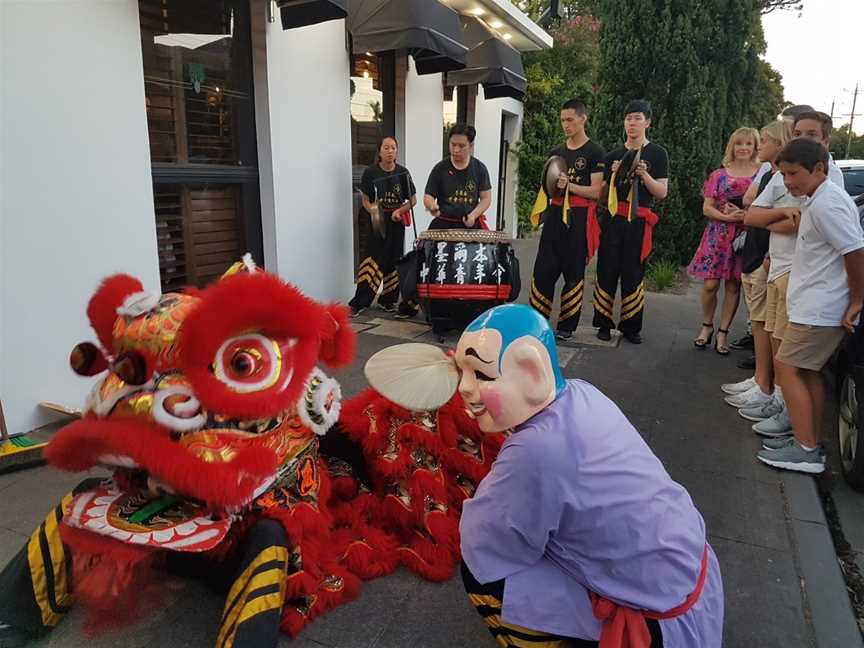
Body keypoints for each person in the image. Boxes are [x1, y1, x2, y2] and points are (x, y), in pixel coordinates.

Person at [454, 304, 724, 647]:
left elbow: (485, 542)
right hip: (690, 577)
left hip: (659, 618)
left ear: (532, 373)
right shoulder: (582, 392)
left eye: (481, 374)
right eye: (460, 370)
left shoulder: (536, 451)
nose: (464, 387)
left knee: (479, 571)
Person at [723, 111, 845, 431]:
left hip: (801, 273)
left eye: (812, 134)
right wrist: (783, 214)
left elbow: (805, 224)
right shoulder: (785, 172)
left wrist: (779, 218)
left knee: (794, 361)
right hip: (778, 265)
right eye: (798, 132)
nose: (803, 139)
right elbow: (753, 215)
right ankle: (773, 395)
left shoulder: (827, 179)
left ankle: (795, 425)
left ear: (825, 141)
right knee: (774, 337)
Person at [756, 138, 864, 474]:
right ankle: (808, 440)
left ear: (819, 169)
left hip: (819, 308)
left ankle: (806, 451)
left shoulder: (828, 203)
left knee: (787, 369)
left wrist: (857, 300)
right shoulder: (819, 199)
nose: (787, 182)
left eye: (793, 174)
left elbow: (855, 251)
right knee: (807, 373)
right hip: (813, 305)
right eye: (783, 174)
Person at [730, 120, 793, 423]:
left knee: (772, 329)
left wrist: (759, 214)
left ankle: (771, 390)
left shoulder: (782, 178)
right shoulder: (767, 173)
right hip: (759, 256)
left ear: (779, 144)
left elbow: (760, 214)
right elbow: (750, 205)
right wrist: (757, 213)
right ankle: (761, 382)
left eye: (764, 141)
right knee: (761, 323)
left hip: (771, 260)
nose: (758, 146)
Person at [592, 100, 669, 344]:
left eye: (637, 118)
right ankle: (603, 323)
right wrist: (613, 175)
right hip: (614, 218)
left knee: (633, 273)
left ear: (648, 122)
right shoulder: (613, 154)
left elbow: (662, 192)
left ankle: (631, 326)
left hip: (638, 220)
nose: (632, 123)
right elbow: (601, 195)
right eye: (628, 118)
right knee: (606, 270)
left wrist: (644, 174)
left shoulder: (657, 153)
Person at [529, 99, 606, 341]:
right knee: (543, 269)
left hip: (580, 217)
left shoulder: (595, 152)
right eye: (562, 120)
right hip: (554, 215)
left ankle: (566, 325)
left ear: (583, 119)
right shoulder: (556, 152)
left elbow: (597, 192)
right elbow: (548, 186)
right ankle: (536, 320)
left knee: (573, 271)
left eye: (570, 119)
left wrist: (569, 186)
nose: (565, 125)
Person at [688, 128, 760, 354]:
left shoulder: (761, 174)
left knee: (733, 285)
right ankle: (706, 326)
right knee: (710, 285)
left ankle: (723, 332)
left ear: (755, 147)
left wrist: (744, 215)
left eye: (749, 144)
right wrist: (727, 217)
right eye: (740, 143)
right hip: (717, 235)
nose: (744, 148)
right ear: (732, 146)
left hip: (744, 235)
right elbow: (706, 207)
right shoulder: (718, 174)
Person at [349, 136, 417, 317]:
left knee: (394, 259)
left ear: (397, 151)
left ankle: (388, 300)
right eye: (386, 148)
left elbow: (413, 200)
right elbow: (365, 199)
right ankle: (360, 302)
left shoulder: (403, 172)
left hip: (396, 221)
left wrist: (400, 211)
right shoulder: (371, 172)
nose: (390, 151)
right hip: (377, 221)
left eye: (393, 148)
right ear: (379, 151)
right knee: (372, 258)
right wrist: (371, 209)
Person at [424, 123, 492, 230]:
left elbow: (486, 198)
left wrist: (473, 215)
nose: (456, 150)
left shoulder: (479, 168)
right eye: (453, 144)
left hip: (470, 224)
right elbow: (428, 196)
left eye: (461, 146)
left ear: (471, 146)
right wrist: (432, 206)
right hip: (443, 224)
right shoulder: (440, 168)